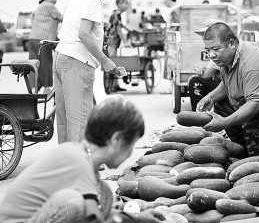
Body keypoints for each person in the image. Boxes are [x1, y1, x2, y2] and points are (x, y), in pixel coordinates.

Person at [0, 95, 166, 223]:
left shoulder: (84, 162)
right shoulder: (77, 161)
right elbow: (95, 218)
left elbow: (103, 213)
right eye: (132, 144)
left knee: (104, 195)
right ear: (116, 140)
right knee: (74, 204)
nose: (131, 152)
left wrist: (136, 218)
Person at [54, 0, 124, 143]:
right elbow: (84, 34)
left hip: (61, 57)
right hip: (77, 62)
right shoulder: (93, 1)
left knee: (64, 121)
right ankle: (77, 169)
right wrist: (105, 60)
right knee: (79, 122)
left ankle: (66, 164)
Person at [197, 22, 259, 159]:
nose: (211, 55)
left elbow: (255, 104)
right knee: (221, 105)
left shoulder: (251, 62)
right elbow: (226, 84)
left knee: (247, 110)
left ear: (232, 43)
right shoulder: (227, 58)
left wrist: (225, 122)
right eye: (207, 50)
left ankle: (258, 161)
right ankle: (243, 154)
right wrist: (209, 98)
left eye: (215, 49)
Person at [28, 0, 63, 94]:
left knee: (33, 64)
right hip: (44, 40)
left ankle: (34, 88)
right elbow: (63, 19)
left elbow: (31, 16)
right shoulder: (50, 6)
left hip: (33, 38)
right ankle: (47, 88)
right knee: (46, 63)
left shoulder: (40, 6)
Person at [106, 0, 130, 92]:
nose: (126, 6)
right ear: (119, 4)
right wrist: (125, 41)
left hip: (113, 41)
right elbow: (118, 29)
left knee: (114, 62)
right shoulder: (117, 14)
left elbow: (120, 25)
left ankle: (115, 84)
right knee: (112, 62)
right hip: (112, 41)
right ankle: (111, 85)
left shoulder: (115, 13)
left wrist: (129, 30)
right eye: (125, 4)